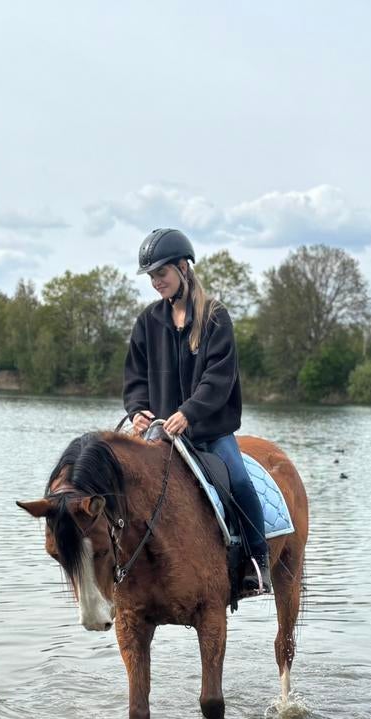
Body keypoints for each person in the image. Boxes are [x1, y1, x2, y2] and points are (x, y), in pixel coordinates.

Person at [123, 227, 271, 593]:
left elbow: (218, 378)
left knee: (239, 481)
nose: (156, 282)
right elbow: (135, 376)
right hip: (162, 435)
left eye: (162, 273)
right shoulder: (147, 322)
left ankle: (258, 561)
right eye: (151, 276)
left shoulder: (215, 317)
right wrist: (137, 410)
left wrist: (189, 412)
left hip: (209, 432)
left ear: (183, 268)